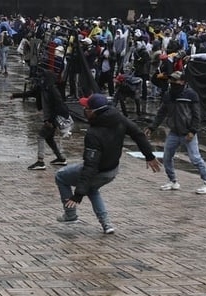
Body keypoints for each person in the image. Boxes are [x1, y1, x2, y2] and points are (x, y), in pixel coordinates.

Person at [56, 94, 161, 234]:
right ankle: (107, 225)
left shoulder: (93, 133)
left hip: (98, 170)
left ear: (93, 111)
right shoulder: (119, 118)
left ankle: (70, 215)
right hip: (112, 170)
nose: (83, 109)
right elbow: (138, 134)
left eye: (86, 107)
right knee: (92, 188)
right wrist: (149, 156)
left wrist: (78, 194)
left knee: (61, 176)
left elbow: (90, 165)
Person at [145, 71, 206, 194]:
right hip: (174, 132)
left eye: (175, 80)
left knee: (195, 159)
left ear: (183, 81)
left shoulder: (191, 95)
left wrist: (193, 131)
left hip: (188, 133)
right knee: (167, 157)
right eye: (171, 80)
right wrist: (152, 127)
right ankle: (173, 181)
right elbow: (161, 113)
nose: (172, 82)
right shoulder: (168, 95)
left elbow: (196, 115)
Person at [12, 68, 69, 170]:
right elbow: (31, 93)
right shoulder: (42, 88)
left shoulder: (53, 90)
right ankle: (60, 158)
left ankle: (40, 161)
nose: (41, 80)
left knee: (41, 136)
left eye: (43, 78)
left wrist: (51, 121)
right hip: (49, 118)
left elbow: (59, 106)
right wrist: (16, 95)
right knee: (49, 138)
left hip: (53, 119)